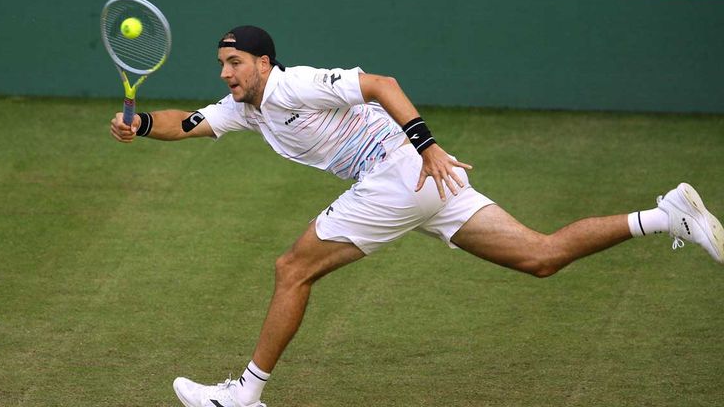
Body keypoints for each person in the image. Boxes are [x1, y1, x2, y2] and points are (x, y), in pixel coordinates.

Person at [110, 25, 723, 407]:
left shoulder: (297, 85)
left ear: (264, 63)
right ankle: (664, 215)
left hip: (400, 172)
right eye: (222, 65)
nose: (225, 73)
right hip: (422, 180)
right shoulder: (246, 108)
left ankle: (245, 394)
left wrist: (426, 146)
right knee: (540, 256)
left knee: (292, 268)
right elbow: (187, 123)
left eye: (235, 63)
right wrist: (142, 123)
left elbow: (382, 83)